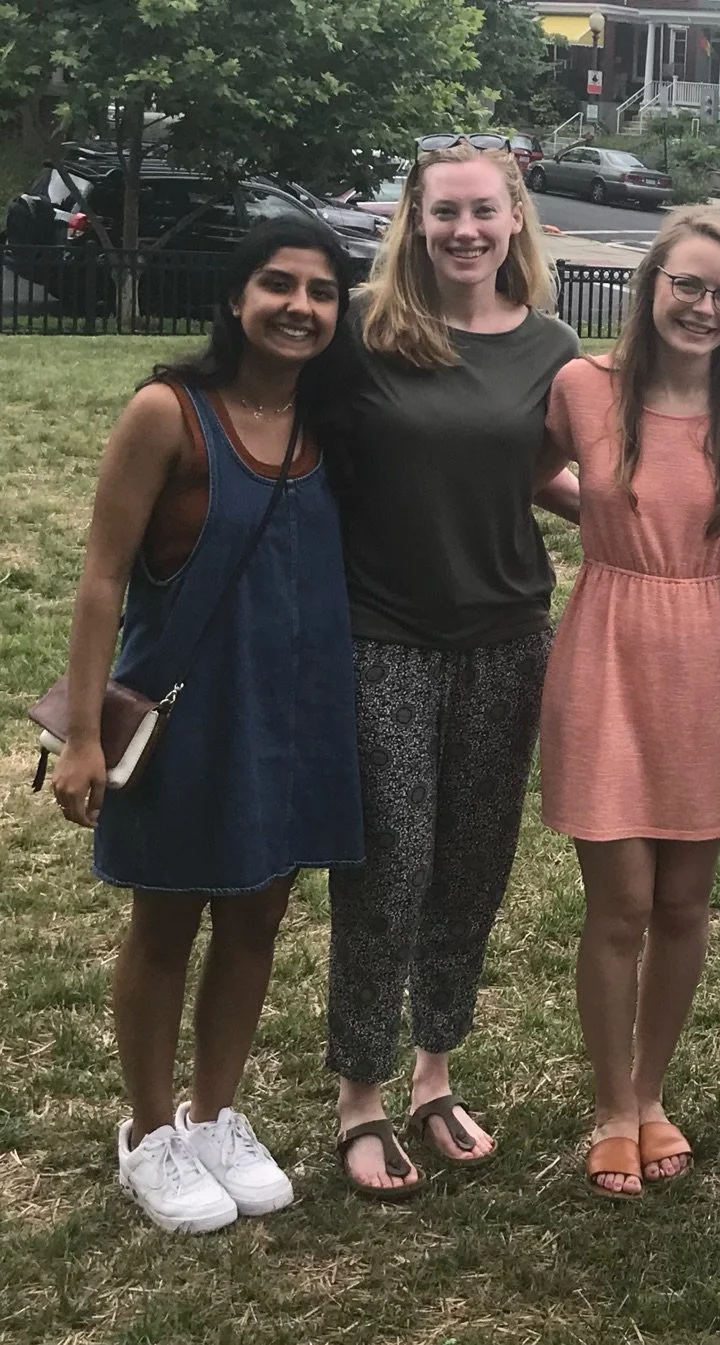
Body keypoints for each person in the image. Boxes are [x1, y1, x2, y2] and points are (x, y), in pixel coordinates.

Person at [48, 219, 365, 1233]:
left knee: (257, 919)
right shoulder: (168, 413)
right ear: (235, 297)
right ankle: (148, 1132)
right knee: (164, 924)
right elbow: (101, 576)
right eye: (277, 283)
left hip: (293, 714)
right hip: (188, 715)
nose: (299, 306)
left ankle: (215, 1112)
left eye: (321, 291)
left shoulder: (330, 422)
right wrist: (87, 735)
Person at [325, 140, 580, 1198]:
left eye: (484, 212)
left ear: (515, 218)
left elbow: (537, 471)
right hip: (383, 634)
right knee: (388, 863)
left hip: (508, 635)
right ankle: (358, 1092)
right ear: (414, 221)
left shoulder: (552, 346)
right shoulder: (360, 332)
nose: (465, 232)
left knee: (472, 865)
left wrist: (649, 523)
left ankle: (434, 1071)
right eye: (445, 214)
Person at [535, 207, 720, 1199]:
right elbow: (520, 475)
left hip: (713, 646)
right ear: (649, 285)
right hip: (606, 642)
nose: (704, 305)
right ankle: (607, 1106)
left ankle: (649, 1095)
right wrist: (595, 513)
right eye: (687, 284)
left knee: (684, 900)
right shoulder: (583, 387)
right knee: (620, 901)